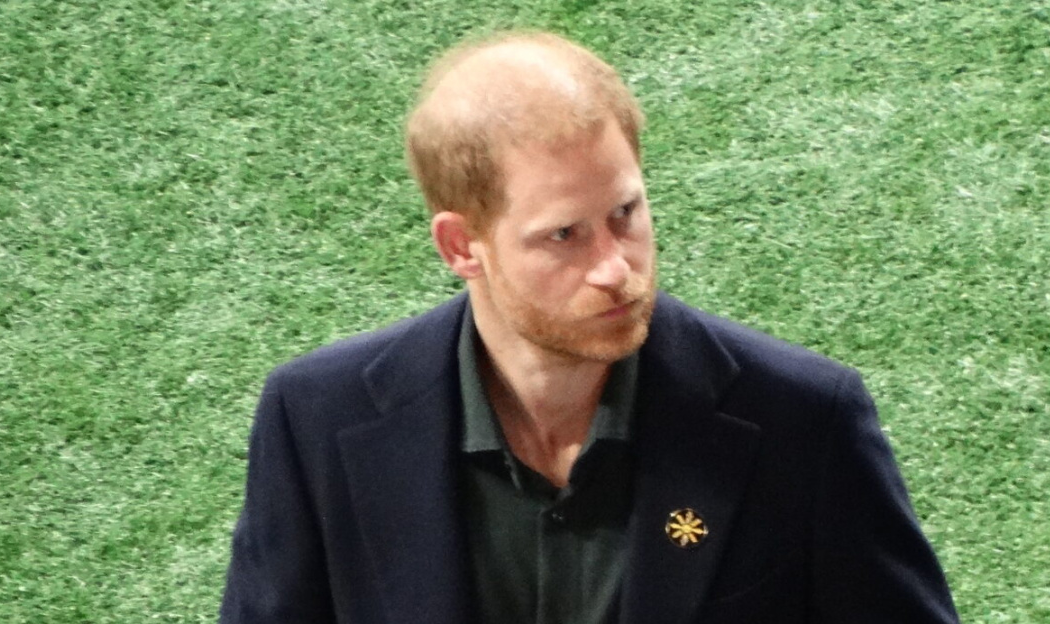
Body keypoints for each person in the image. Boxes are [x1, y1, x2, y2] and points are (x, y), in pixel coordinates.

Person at [219, 31, 960, 624]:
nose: (615, 268)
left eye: (625, 215)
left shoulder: (803, 419)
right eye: (564, 236)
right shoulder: (315, 421)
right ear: (459, 246)